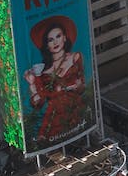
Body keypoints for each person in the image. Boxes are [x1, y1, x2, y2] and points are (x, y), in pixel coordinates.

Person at [22, 15, 89, 145]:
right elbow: (38, 104)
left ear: (65, 37)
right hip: (53, 120)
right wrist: (32, 84)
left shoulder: (75, 58)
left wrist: (76, 86)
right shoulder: (43, 73)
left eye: (58, 36)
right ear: (47, 45)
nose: (55, 42)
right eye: (50, 40)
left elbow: (82, 86)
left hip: (76, 112)